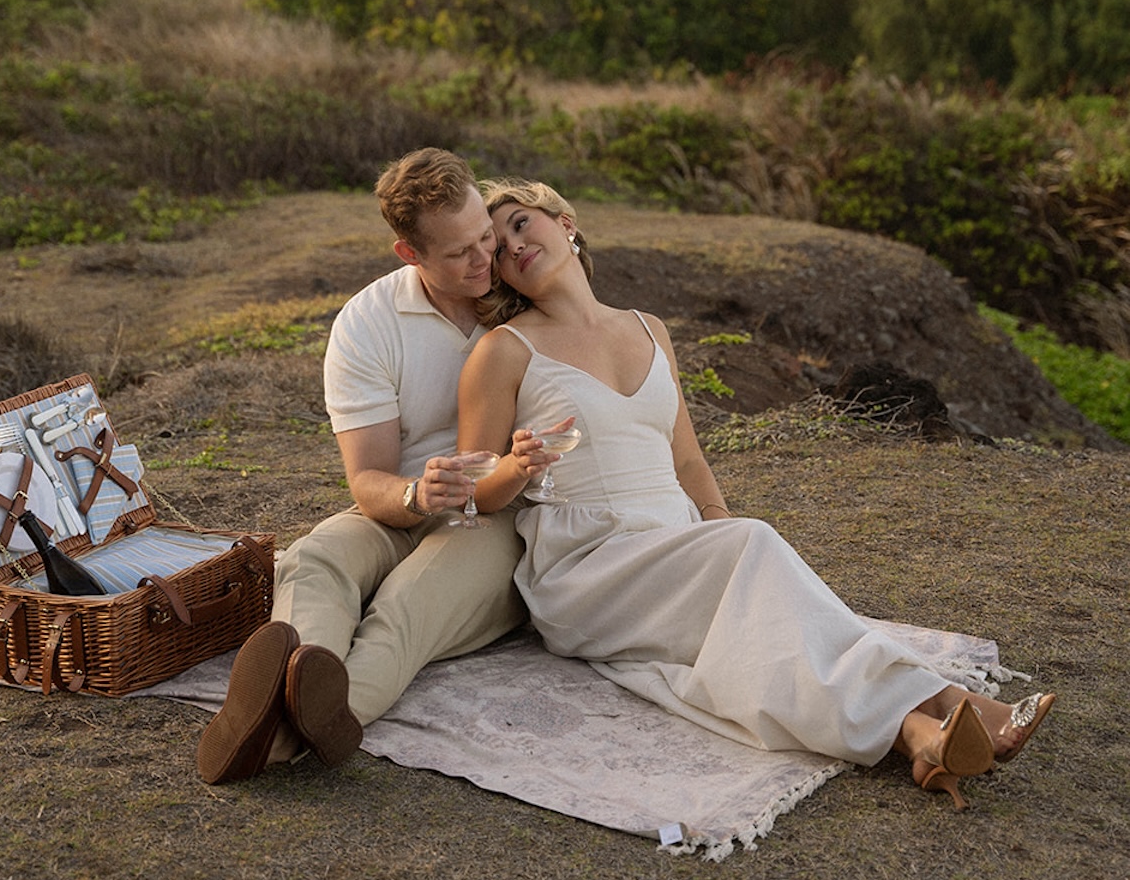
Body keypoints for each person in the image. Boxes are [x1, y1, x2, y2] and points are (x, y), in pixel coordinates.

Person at [457, 178, 1055, 809]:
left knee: (768, 623)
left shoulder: (649, 329)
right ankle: (958, 702)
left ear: (567, 222)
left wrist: (714, 525)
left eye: (522, 224)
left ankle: (920, 736)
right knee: (754, 553)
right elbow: (476, 490)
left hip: (677, 541)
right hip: (588, 567)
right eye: (497, 248)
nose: (513, 246)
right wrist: (517, 469)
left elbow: (685, 454)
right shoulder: (504, 352)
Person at [196, 148, 525, 784]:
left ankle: (279, 731)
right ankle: (295, 685)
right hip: (403, 502)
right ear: (411, 255)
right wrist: (418, 496)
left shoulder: (526, 288)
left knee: (407, 604)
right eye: (459, 252)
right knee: (314, 558)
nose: (485, 258)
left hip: (498, 513)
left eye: (485, 235)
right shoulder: (368, 325)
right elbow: (368, 479)